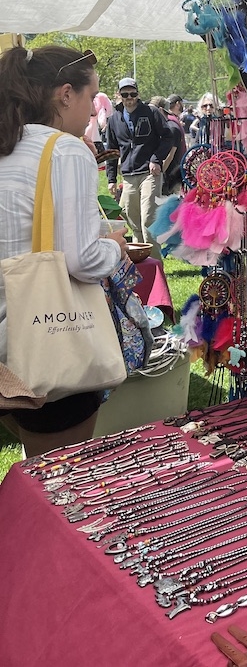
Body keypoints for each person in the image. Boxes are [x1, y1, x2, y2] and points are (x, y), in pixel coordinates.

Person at [0, 45, 128, 456]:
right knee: (60, 481)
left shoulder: (8, 144)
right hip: (45, 339)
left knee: (33, 471)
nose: (94, 113)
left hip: (7, 338)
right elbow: (81, 259)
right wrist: (116, 248)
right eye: (91, 99)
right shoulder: (65, 149)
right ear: (65, 94)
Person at [105, 77, 174, 256]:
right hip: (128, 175)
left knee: (148, 221)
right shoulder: (113, 119)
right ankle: (141, 265)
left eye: (133, 93)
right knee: (133, 222)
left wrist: (156, 159)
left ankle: (155, 267)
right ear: (119, 95)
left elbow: (168, 137)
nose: (129, 97)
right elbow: (111, 151)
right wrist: (111, 179)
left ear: (138, 94)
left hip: (149, 173)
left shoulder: (150, 112)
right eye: (125, 94)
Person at [163, 94, 188, 194]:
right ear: (178, 104)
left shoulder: (173, 120)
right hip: (173, 169)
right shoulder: (172, 123)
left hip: (176, 166)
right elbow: (170, 152)